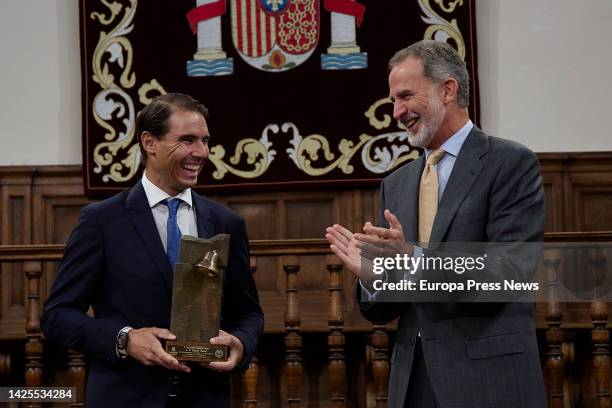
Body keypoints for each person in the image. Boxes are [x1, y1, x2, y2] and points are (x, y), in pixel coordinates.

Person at [326, 40, 546, 407]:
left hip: (489, 381)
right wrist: (374, 278)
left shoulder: (510, 163)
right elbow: (387, 308)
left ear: (447, 89)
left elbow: (510, 272)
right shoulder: (395, 184)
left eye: (405, 96)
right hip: (414, 381)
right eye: (394, 100)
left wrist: (414, 258)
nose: (397, 112)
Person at [41, 93, 264, 407]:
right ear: (150, 142)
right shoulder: (101, 221)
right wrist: (125, 339)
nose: (201, 152)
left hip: (204, 397)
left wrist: (240, 343)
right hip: (125, 396)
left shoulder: (227, 223)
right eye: (187, 140)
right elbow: (57, 316)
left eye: (204, 141)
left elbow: (249, 313)